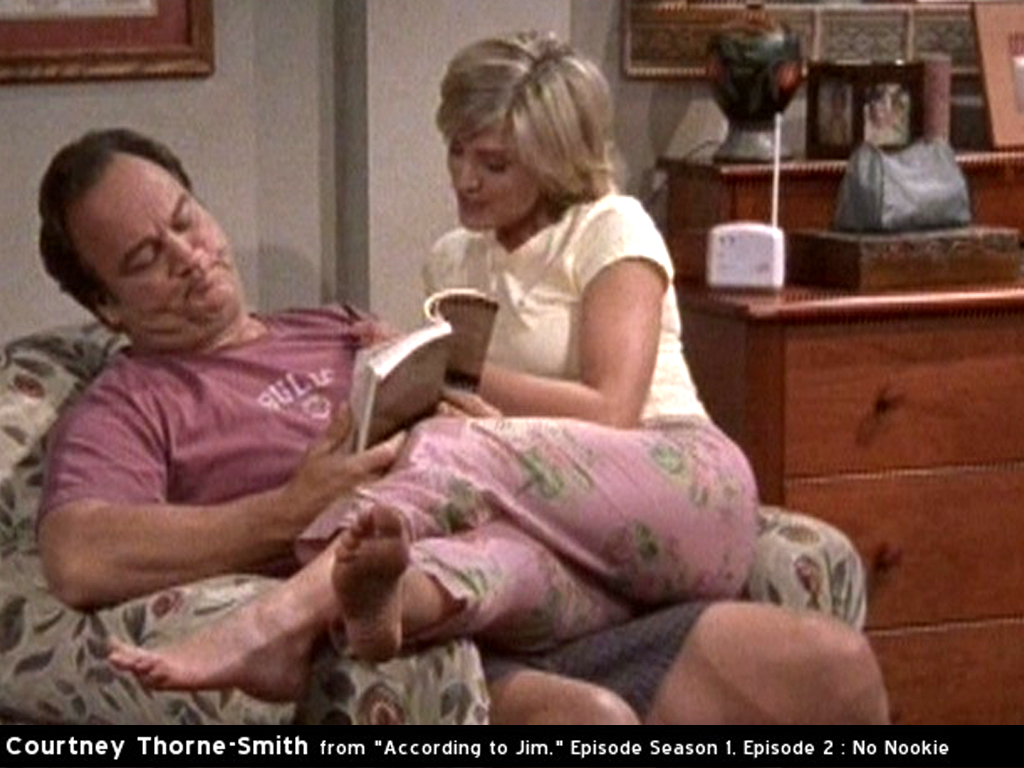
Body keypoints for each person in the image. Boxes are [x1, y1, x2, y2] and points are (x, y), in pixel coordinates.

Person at [35, 123, 885, 723]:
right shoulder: (129, 402)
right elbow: (79, 554)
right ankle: (321, 604)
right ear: (108, 306)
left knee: (833, 671)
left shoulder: (337, 326)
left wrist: (477, 421)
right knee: (583, 719)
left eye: (185, 221)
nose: (189, 258)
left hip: (535, 570)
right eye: (146, 260)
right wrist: (288, 511)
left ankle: (339, 592)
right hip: (448, 641)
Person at [423, 30, 890, 724]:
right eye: (456, 151)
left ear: (553, 161)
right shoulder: (452, 260)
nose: (465, 179)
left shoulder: (611, 227)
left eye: (493, 163)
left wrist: (461, 377)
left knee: (838, 668)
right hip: (541, 516)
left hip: (653, 476)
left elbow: (611, 410)